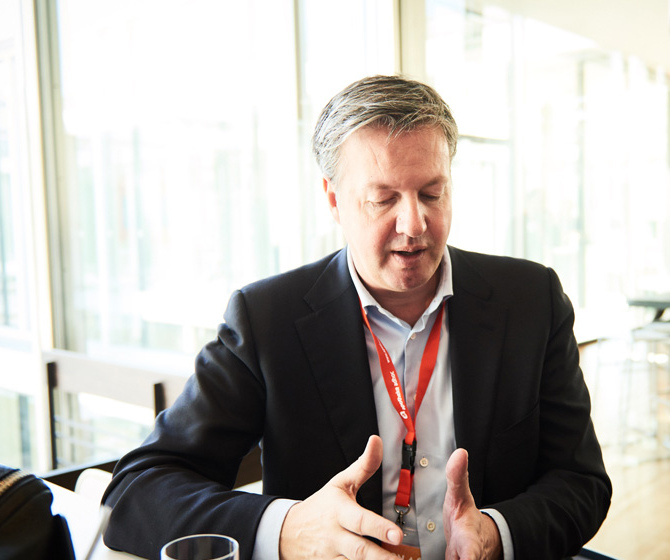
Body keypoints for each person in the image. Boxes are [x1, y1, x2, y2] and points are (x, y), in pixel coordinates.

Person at [102, 75, 611, 560]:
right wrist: (290, 529)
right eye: (382, 199)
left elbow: (581, 482)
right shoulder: (267, 321)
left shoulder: (531, 301)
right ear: (334, 200)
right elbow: (138, 490)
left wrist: (497, 535)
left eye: (432, 193)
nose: (414, 224)